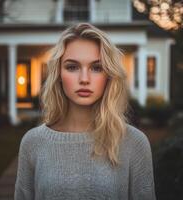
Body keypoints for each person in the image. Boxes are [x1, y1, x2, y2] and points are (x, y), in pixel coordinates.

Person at [14, 23, 156, 200]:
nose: (84, 79)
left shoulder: (134, 143)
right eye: (72, 67)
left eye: (96, 68)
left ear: (109, 76)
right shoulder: (33, 142)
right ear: (58, 74)